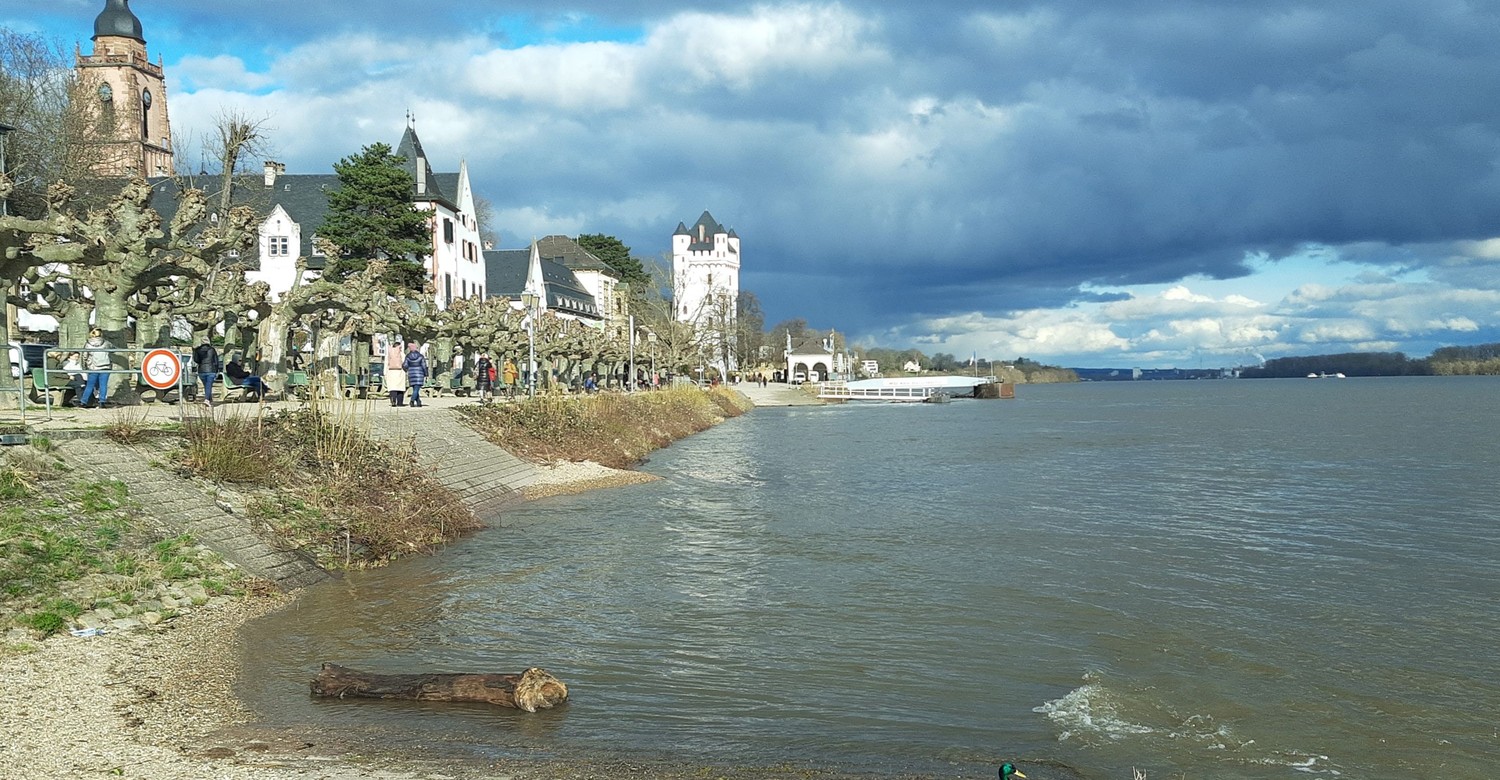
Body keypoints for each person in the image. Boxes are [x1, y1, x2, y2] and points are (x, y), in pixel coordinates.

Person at [79, 329, 112, 409]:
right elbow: (113, 349)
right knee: (103, 385)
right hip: (105, 367)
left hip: (93, 367)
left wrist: (84, 366)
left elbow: (84, 356)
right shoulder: (106, 343)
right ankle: (102, 402)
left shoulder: (88, 344)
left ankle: (84, 402)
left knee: (90, 385)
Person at [192, 335, 220, 407]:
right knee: (208, 385)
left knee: (206, 385)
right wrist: (217, 370)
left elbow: (196, 360)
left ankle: (210, 399)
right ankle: (207, 400)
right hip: (211, 370)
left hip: (201, 370)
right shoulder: (212, 350)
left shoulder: (197, 350)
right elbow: (216, 361)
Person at [403, 342, 429, 407]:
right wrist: (426, 374)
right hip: (419, 373)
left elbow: (404, 365)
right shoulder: (420, 356)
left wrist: (407, 370)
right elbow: (424, 365)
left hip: (411, 373)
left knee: (415, 388)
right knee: (416, 389)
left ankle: (418, 402)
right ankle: (412, 400)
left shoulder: (408, 356)